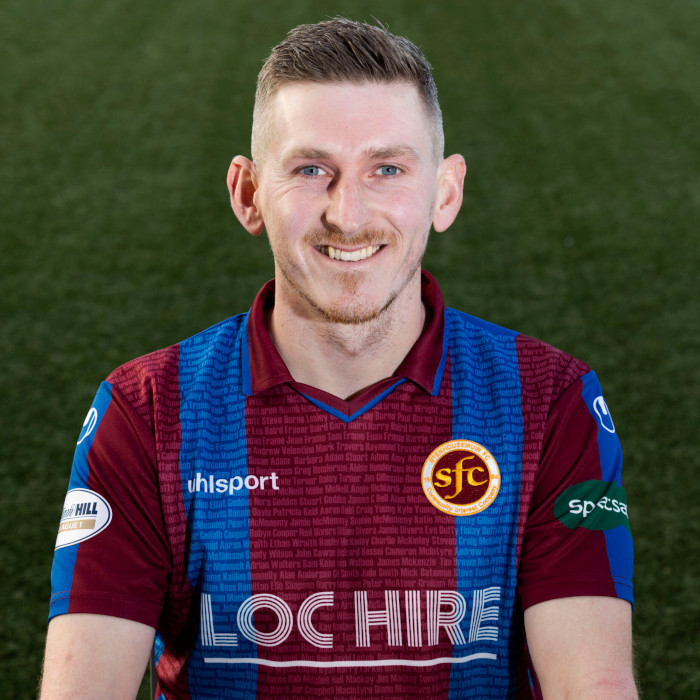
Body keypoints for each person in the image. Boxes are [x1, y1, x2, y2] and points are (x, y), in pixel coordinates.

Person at [40, 18, 637, 700]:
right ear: (248, 194)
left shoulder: (550, 400)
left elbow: (591, 684)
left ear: (445, 192)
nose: (348, 215)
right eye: (311, 170)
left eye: (387, 169)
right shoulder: (146, 411)